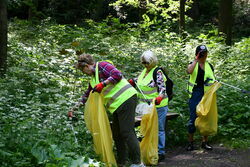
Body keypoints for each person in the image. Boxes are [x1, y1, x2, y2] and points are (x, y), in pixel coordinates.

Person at [68, 54, 145, 167]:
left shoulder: (103, 65)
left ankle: (138, 163)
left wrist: (103, 84)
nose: (83, 72)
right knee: (117, 134)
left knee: (127, 132)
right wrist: (73, 109)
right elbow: (87, 95)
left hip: (127, 98)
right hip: (117, 105)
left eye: (82, 69)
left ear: (87, 66)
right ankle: (122, 162)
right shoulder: (94, 80)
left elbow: (117, 74)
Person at [128, 50, 169, 162]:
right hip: (146, 106)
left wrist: (159, 98)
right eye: (143, 63)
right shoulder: (144, 71)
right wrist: (132, 81)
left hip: (158, 106)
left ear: (152, 61)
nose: (145, 65)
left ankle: (160, 152)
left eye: (147, 63)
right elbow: (140, 81)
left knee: (159, 128)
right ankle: (149, 149)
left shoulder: (157, 72)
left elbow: (163, 89)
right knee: (147, 128)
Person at [186, 45, 215, 151]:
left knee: (205, 117)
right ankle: (190, 142)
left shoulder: (209, 66)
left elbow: (212, 79)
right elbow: (189, 71)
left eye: (205, 53)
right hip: (195, 94)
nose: (204, 55)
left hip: (206, 94)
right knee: (193, 118)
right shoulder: (193, 64)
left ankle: (204, 142)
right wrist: (196, 59)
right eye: (202, 53)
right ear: (197, 53)